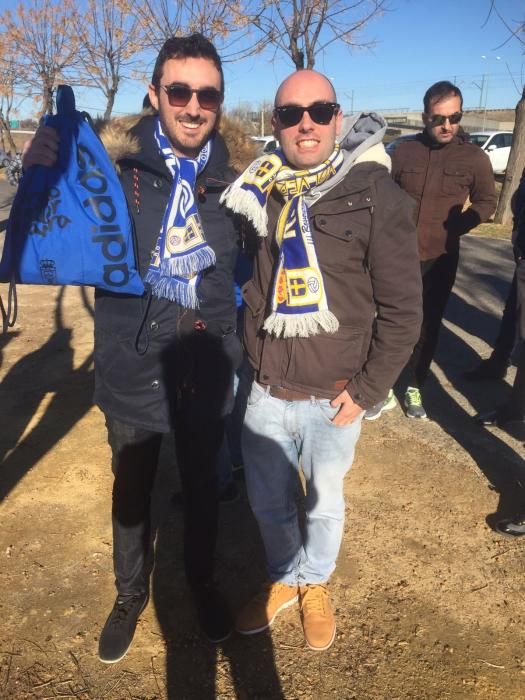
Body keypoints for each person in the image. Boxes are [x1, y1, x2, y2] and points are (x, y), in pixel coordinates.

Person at [23, 34, 242, 663]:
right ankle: (128, 596)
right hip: (131, 366)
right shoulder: (111, 173)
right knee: (132, 492)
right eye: (179, 91)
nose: (193, 106)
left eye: (207, 94)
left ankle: (201, 582)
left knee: (203, 488)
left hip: (205, 367)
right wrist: (42, 173)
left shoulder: (240, 180)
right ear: (155, 94)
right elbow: (48, 232)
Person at [221, 70, 422, 651]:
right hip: (266, 388)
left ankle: (316, 583)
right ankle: (286, 576)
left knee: (325, 501)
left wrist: (366, 390)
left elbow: (404, 311)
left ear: (338, 117)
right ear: (276, 125)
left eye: (318, 109)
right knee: (267, 501)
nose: (304, 122)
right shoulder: (262, 187)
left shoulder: (377, 193)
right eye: (289, 113)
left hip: (334, 393)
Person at [367, 81, 497, 420]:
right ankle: (380, 386)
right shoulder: (403, 153)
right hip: (397, 256)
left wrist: (460, 225)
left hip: (440, 257)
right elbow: (383, 196)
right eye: (439, 118)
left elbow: (487, 201)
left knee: (426, 326)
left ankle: (412, 385)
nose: (447, 125)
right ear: (425, 117)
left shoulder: (474, 158)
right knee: (387, 321)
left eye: (454, 117)